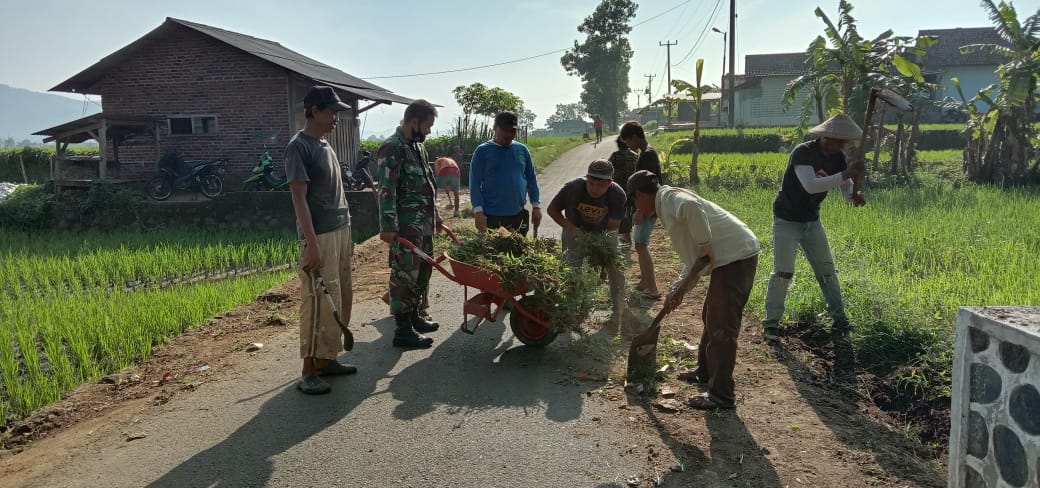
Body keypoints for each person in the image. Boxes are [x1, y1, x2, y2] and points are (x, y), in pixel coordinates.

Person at [626, 170, 760, 410]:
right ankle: (704, 370)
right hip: (727, 260)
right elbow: (694, 261)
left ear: (639, 195)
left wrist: (704, 244)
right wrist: (678, 289)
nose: (636, 208)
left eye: (634, 201)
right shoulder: (665, 206)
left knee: (722, 327)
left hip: (736, 258)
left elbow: (691, 207)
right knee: (710, 316)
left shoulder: (669, 199)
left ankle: (721, 395)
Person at [761, 113, 866, 343]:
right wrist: (847, 173)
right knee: (783, 272)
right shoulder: (803, 152)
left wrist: (853, 196)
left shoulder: (837, 157)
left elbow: (846, 186)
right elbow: (810, 185)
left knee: (827, 269)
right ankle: (771, 325)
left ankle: (840, 318)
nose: (843, 146)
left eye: (844, 142)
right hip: (787, 219)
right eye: (839, 141)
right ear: (826, 137)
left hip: (811, 220)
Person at [285, 86, 359, 395]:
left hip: (341, 230)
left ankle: (327, 360)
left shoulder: (325, 144)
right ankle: (307, 371)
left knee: (340, 298)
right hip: (321, 235)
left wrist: (348, 232)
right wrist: (311, 244)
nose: (336, 119)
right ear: (314, 110)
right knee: (318, 301)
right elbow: (299, 200)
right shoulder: (299, 147)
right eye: (331, 112)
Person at [376, 99, 442, 349]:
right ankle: (402, 329)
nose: (429, 131)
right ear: (413, 121)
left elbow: (428, 186)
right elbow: (386, 189)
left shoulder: (418, 148)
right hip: (405, 226)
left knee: (424, 270)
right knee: (404, 274)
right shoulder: (392, 148)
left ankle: (414, 316)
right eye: (427, 125)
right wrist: (388, 226)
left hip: (423, 225)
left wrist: (438, 218)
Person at [547, 159, 627, 317]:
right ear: (586, 178)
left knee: (615, 266)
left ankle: (619, 304)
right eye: (591, 183)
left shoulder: (617, 194)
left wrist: (598, 245)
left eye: (601, 185)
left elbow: (613, 225)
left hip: (603, 233)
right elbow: (552, 210)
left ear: (610, 182)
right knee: (571, 268)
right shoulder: (572, 188)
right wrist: (571, 228)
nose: (595, 189)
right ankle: (569, 306)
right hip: (574, 230)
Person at [469, 111, 541, 236]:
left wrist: (536, 206)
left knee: (520, 251)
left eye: (512, 131)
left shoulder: (522, 150)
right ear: (495, 128)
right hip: (492, 216)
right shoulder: (483, 151)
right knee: (495, 253)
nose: (509, 134)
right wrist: (478, 212)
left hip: (518, 214)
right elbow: (474, 183)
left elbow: (531, 179)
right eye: (505, 130)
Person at [619, 120, 663, 299]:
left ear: (635, 137)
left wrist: (640, 211)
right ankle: (645, 282)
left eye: (628, 141)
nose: (628, 146)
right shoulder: (647, 153)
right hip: (648, 205)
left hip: (647, 206)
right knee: (640, 244)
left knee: (641, 245)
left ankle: (653, 289)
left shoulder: (647, 156)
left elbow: (646, 189)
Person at [608, 136, 639, 255]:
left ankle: (627, 240)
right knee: (629, 214)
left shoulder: (615, 156)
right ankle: (628, 238)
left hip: (619, 190)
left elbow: (609, 170)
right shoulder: (635, 156)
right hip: (632, 189)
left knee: (623, 215)